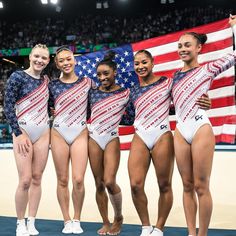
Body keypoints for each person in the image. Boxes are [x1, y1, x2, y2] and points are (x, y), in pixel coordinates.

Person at [121, 49, 211, 236]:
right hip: (141, 135)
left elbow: (182, 101)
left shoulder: (167, 83)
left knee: (164, 185)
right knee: (135, 184)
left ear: (152, 63)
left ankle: (159, 227)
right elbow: (128, 116)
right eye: (137, 63)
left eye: (144, 62)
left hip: (162, 134)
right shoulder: (133, 90)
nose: (140, 66)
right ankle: (146, 226)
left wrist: (204, 102)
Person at [172, 15, 236, 236]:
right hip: (180, 130)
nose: (182, 49)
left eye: (187, 45)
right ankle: (191, 233)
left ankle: (203, 234)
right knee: (187, 186)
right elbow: (173, 105)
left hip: (200, 127)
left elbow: (234, 55)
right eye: (180, 46)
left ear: (199, 48)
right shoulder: (174, 76)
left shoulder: (208, 69)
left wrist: (235, 28)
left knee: (201, 186)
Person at [4, 44, 50, 236]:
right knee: (25, 180)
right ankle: (20, 222)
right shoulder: (17, 77)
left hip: (43, 132)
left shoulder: (47, 81)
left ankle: (32, 221)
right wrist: (18, 133)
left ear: (48, 61)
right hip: (22, 131)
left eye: (44, 58)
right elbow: (7, 106)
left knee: (37, 179)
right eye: (37, 56)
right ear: (30, 56)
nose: (40, 60)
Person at [48, 46, 91, 234]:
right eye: (62, 60)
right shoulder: (53, 85)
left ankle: (77, 218)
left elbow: (93, 106)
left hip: (80, 131)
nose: (66, 63)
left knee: (79, 179)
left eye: (69, 59)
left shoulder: (87, 82)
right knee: (63, 179)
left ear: (75, 60)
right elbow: (46, 107)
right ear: (57, 64)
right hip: (59, 133)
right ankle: (66, 220)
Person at [88, 51, 128, 235]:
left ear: (115, 72)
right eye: (99, 75)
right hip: (94, 138)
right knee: (98, 184)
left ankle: (118, 216)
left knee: (110, 181)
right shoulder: (93, 93)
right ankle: (105, 221)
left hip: (111, 137)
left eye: (106, 73)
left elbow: (135, 114)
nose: (102, 77)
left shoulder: (125, 93)